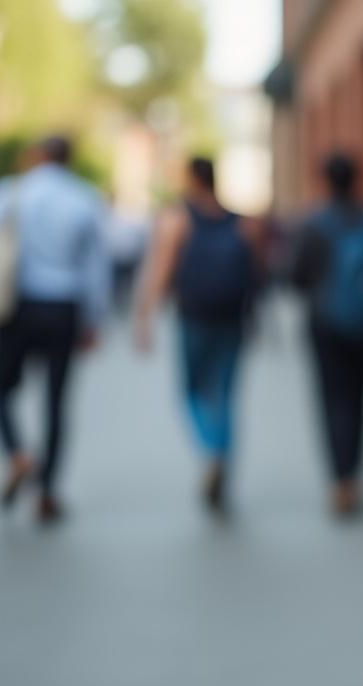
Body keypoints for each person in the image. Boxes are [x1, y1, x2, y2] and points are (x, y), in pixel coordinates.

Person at [0, 136, 109, 521]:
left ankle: (16, 453)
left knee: (0, 388)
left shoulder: (12, 191)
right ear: (70, 159)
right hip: (64, 307)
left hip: (17, 306)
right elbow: (95, 268)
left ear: (37, 156)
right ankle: (48, 490)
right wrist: (93, 320)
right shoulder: (84, 197)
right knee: (56, 400)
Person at [134, 157, 263, 512]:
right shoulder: (241, 222)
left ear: (191, 179)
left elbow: (161, 270)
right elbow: (257, 275)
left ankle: (211, 450)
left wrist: (145, 318)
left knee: (192, 390)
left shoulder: (178, 218)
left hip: (194, 316)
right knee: (225, 392)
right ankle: (222, 455)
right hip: (233, 317)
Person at [289, 152, 363, 515]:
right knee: (358, 400)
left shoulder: (314, 224)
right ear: (357, 178)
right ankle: (354, 476)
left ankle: (340, 480)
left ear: (326, 180)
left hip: (326, 327)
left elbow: (295, 277)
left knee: (332, 401)